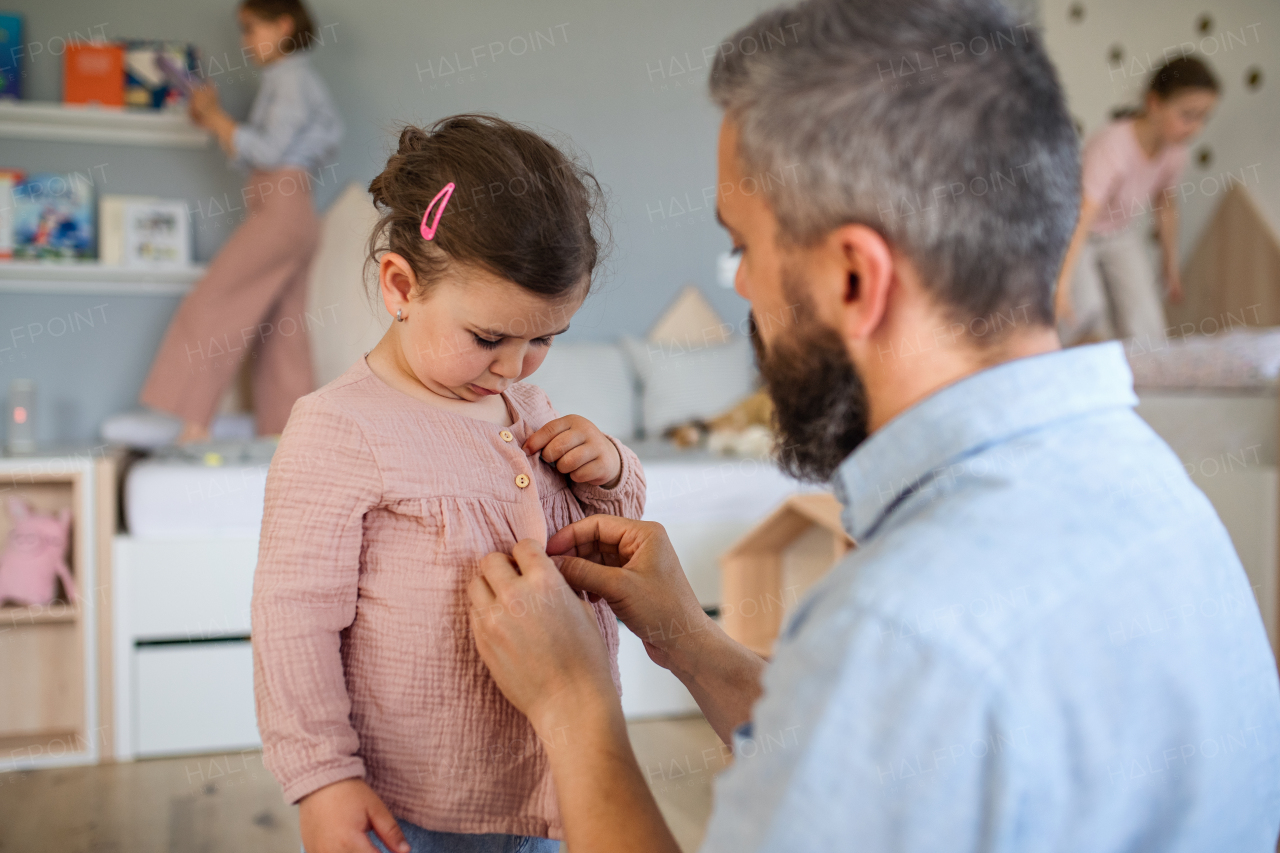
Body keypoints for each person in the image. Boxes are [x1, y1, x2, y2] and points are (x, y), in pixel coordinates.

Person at [465, 1, 1280, 851]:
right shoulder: (1155, 489)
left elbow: (902, 686)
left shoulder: (904, 632)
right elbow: (884, 759)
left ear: (855, 277)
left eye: (744, 248)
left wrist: (574, 705)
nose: (740, 286)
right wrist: (690, 641)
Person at [251, 116, 645, 853]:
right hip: (422, 805)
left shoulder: (527, 407)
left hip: (563, 786)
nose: (514, 367)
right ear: (400, 286)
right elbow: (292, 620)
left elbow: (609, 535)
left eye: (544, 339)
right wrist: (323, 776)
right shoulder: (338, 427)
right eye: (490, 338)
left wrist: (613, 469)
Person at [140, 0, 342, 442]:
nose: (244, 40)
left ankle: (194, 426)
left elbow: (268, 152)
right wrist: (216, 123)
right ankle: (291, 439)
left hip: (282, 211)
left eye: (251, 28)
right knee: (281, 332)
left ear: (283, 24)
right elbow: (303, 143)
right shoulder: (294, 80)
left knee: (214, 303)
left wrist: (216, 117)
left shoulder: (290, 78)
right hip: (293, 211)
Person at [1056, 56, 1219, 348]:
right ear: (1154, 103)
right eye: (1187, 115)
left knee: (1147, 323)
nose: (1195, 128)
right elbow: (1082, 215)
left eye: (1203, 118)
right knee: (1085, 314)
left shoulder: (1175, 151)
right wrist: (1062, 283)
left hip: (1119, 233)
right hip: (1076, 232)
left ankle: (1149, 382)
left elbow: (1166, 205)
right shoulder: (1112, 145)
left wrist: (1170, 266)